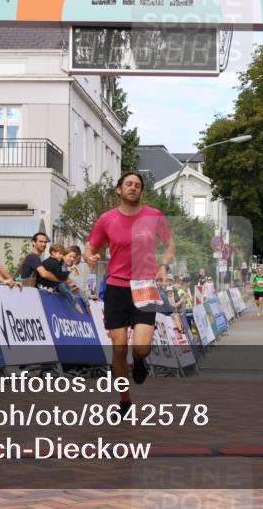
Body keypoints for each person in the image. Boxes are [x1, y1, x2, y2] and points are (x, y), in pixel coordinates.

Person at [85, 171, 175, 414]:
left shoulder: (153, 216)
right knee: (119, 347)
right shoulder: (107, 219)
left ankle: (139, 361)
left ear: (141, 191)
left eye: (137, 185)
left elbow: (169, 244)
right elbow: (90, 246)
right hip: (116, 286)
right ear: (119, 189)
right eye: (128, 184)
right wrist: (89, 256)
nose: (133, 188)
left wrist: (164, 265)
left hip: (145, 286)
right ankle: (124, 400)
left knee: (141, 348)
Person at [44, 243, 83, 313]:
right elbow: (62, 277)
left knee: (65, 286)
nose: (61, 256)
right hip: (48, 286)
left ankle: (75, 302)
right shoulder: (54, 263)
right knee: (62, 285)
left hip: (52, 286)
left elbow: (62, 276)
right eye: (60, 253)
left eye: (62, 254)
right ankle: (75, 303)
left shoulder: (56, 262)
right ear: (53, 253)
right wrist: (68, 270)